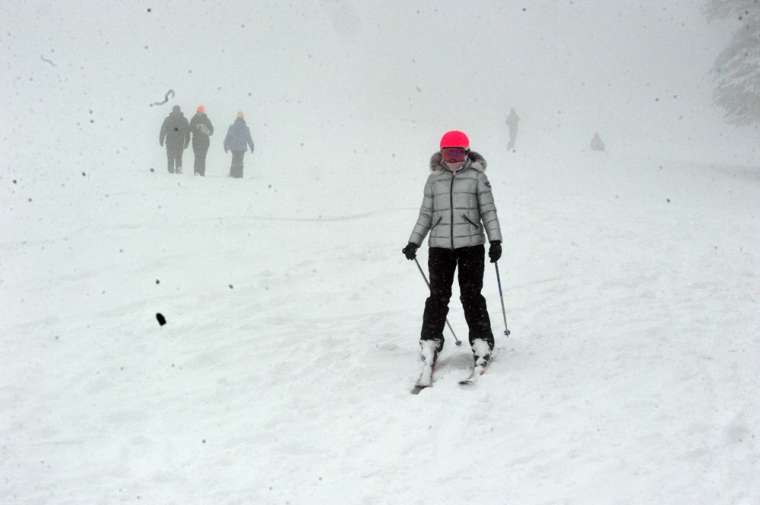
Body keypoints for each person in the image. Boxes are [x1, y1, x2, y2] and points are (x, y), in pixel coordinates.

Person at [402, 130, 503, 372]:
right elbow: (426, 214)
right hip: (439, 247)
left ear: (466, 152)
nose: (453, 158)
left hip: (471, 246)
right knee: (438, 296)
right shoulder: (434, 179)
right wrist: (414, 241)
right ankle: (431, 340)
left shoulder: (477, 177)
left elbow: (489, 211)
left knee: (471, 295)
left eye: (457, 152)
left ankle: (481, 341)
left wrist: (495, 240)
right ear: (441, 153)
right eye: (448, 153)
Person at [159, 105, 190, 174]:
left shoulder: (183, 120)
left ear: (179, 111)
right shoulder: (168, 119)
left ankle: (177, 172)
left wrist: (187, 142)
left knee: (178, 158)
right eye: (175, 110)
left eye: (177, 111)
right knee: (171, 158)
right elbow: (163, 130)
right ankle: (171, 172)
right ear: (173, 111)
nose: (176, 112)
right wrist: (161, 139)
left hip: (179, 142)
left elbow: (187, 132)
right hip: (171, 142)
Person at [223, 112, 255, 178]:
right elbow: (249, 138)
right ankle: (239, 175)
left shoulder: (232, 127)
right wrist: (252, 146)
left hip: (234, 147)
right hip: (242, 147)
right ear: (243, 118)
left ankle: (232, 174)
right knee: (240, 161)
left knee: (234, 160)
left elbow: (228, 137)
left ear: (236, 118)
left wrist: (225, 145)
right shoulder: (245, 128)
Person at [190, 105, 214, 176]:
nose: (199, 113)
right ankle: (196, 172)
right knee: (197, 156)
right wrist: (196, 127)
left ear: (203, 112)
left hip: (205, 142)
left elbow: (212, 131)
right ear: (197, 112)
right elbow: (190, 128)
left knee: (203, 157)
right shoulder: (194, 119)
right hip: (196, 141)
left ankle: (202, 173)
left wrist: (206, 130)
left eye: (201, 112)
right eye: (198, 112)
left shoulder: (207, 120)